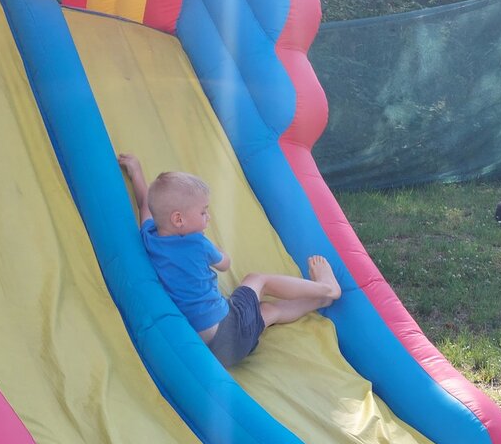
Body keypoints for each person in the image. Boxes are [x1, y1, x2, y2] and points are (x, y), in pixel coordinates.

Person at [118, 153, 341, 368]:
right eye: (203, 212)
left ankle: (320, 302)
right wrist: (216, 249)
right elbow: (225, 264)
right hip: (228, 330)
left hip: (212, 351)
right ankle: (327, 289)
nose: (208, 217)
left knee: (268, 312)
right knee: (257, 279)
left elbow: (145, 205)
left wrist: (136, 172)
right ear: (178, 219)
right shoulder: (198, 244)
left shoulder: (150, 236)